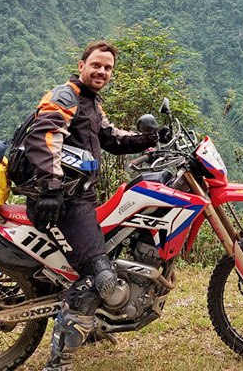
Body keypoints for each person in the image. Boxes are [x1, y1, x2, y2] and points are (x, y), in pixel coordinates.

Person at [23, 41, 162, 371]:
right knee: (98, 275)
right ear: (82, 64)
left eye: (108, 68)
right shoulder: (66, 96)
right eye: (96, 65)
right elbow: (43, 137)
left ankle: (95, 326)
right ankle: (58, 362)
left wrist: (151, 140)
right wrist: (51, 188)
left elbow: (111, 138)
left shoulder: (90, 103)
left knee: (109, 252)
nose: (102, 71)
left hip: (81, 198)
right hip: (61, 203)